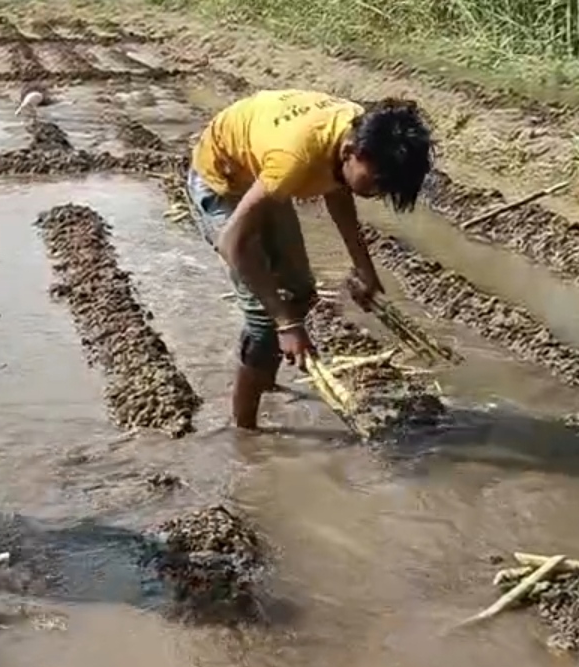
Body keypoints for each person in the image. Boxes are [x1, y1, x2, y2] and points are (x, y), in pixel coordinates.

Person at [183, 91, 433, 430]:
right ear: (350, 152)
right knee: (263, 319)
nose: (377, 192)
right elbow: (233, 243)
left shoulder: (357, 131)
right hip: (222, 177)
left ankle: (263, 379)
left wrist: (364, 268)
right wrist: (286, 325)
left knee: (300, 292)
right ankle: (245, 434)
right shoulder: (295, 158)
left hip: (263, 173)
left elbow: (338, 190)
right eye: (376, 183)